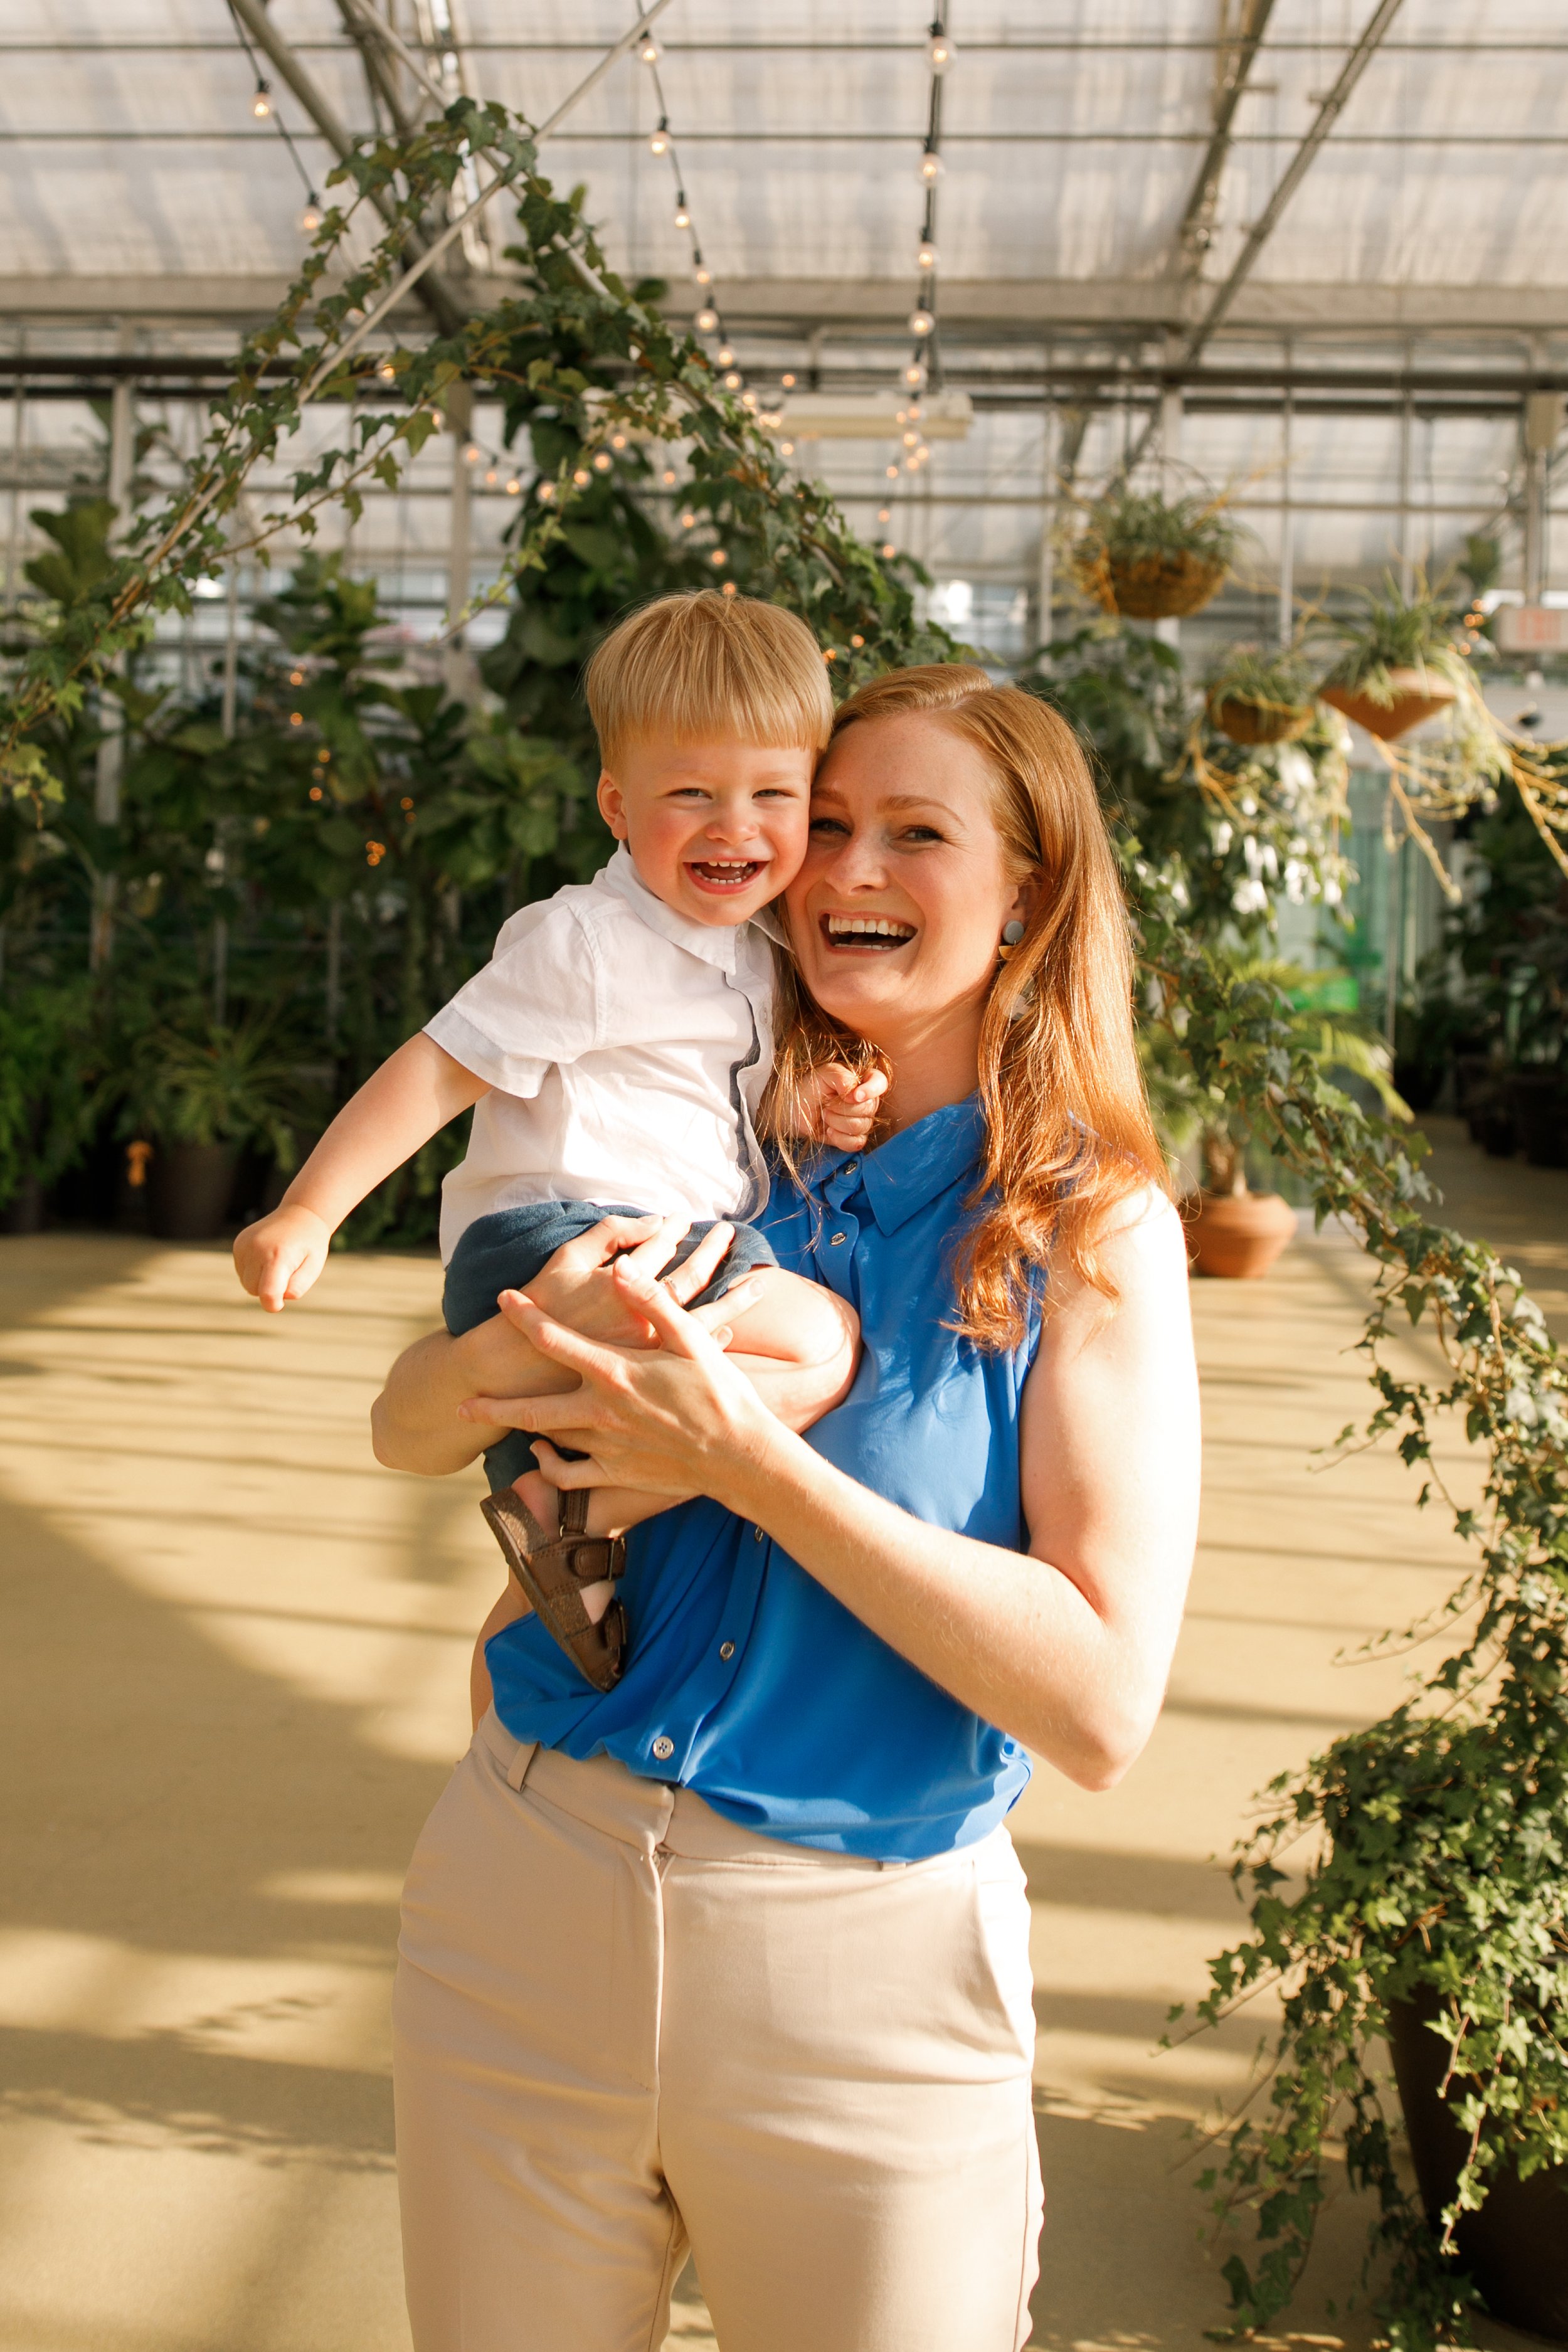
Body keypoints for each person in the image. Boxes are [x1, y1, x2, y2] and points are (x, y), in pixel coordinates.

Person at [373, 664, 1201, 2352]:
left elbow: (1102, 1700)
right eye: (823, 822)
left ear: (1029, 885)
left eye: (916, 831)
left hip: (861, 1968)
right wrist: (486, 1395)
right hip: (526, 1895)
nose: (840, 869)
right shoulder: (703, 1144)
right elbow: (407, 1412)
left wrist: (753, 1467)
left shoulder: (1083, 1226)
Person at [233, 592, 883, 1685]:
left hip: (632, 1247)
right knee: (821, 1347)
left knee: (579, 1618)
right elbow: (439, 1065)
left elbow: (704, 1106)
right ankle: (568, 1501)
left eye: (774, 794)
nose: (736, 827)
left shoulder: (761, 946)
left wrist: (810, 1108)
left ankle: (570, 1521)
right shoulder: (587, 939)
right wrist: (311, 1208)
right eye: (692, 795)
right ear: (617, 805)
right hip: (558, 1239)